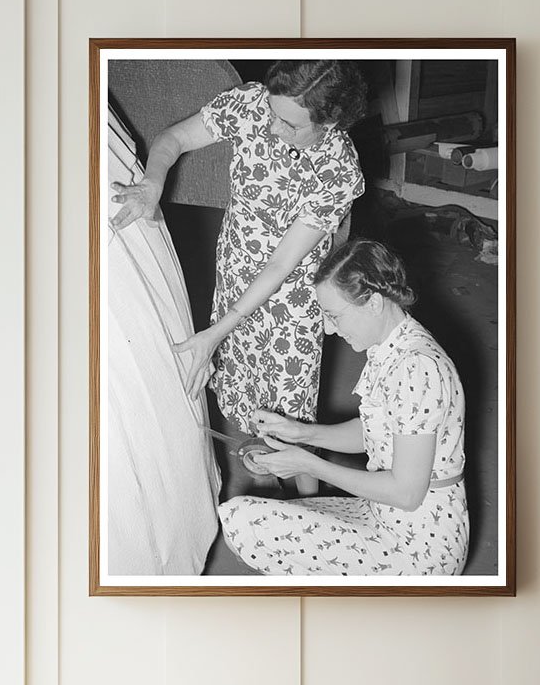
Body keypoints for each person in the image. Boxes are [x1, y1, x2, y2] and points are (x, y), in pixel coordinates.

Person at [110, 61, 367, 495]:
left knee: (292, 420)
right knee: (244, 395)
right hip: (234, 275)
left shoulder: (338, 170)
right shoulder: (250, 104)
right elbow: (173, 138)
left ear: (332, 121)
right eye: (271, 111)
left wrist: (216, 332)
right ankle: (268, 489)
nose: (270, 126)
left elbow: (280, 266)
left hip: (291, 301)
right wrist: (153, 182)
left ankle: (313, 506)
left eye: (287, 123)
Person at [219, 239, 470, 576]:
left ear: (374, 303)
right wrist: (302, 432)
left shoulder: (417, 367)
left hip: (418, 545)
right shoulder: (393, 346)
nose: (327, 328)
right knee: (258, 517)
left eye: (334, 315)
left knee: (245, 520)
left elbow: (407, 493)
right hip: (386, 516)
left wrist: (310, 465)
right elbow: (376, 432)